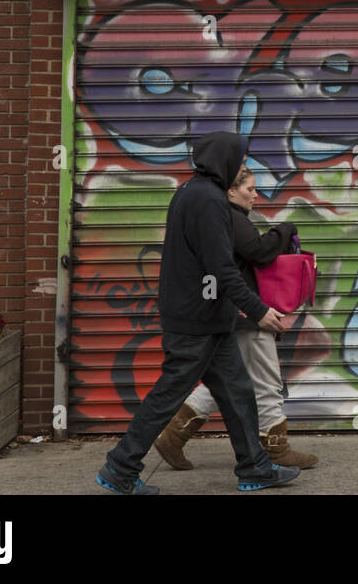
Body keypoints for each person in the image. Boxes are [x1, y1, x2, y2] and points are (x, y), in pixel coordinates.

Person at [95, 130, 298, 495]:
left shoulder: (195, 192)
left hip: (209, 318)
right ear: (224, 159)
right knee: (167, 396)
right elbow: (222, 267)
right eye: (239, 157)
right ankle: (120, 469)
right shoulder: (207, 200)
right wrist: (258, 310)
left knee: (238, 394)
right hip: (195, 321)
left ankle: (255, 467)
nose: (242, 165)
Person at [153, 165, 318, 471]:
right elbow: (257, 250)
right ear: (231, 190)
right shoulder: (231, 217)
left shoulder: (220, 216)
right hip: (248, 312)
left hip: (236, 311)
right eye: (250, 189)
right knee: (266, 380)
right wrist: (286, 230)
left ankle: (173, 434)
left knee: (228, 382)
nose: (255, 196)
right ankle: (276, 448)